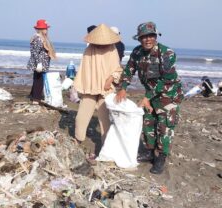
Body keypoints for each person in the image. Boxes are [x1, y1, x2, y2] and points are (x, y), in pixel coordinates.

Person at [116, 22, 184, 174]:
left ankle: (160, 158)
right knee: (148, 122)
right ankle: (149, 152)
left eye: (150, 36)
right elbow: (129, 70)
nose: (147, 40)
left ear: (155, 36)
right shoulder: (137, 52)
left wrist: (146, 97)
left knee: (164, 127)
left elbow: (166, 79)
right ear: (139, 39)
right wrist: (123, 88)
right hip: (151, 95)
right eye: (144, 37)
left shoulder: (167, 53)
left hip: (169, 96)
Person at [74, 24, 122, 145]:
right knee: (81, 116)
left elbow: (117, 69)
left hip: (106, 88)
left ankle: (106, 145)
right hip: (90, 87)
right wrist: (85, 85)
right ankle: (78, 138)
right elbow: (85, 70)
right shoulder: (89, 49)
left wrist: (110, 80)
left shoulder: (112, 49)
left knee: (105, 118)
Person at [27, 19, 56, 104]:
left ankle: (33, 95)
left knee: (37, 79)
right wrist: (38, 63)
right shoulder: (38, 38)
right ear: (41, 29)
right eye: (45, 28)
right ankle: (36, 99)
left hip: (41, 63)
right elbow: (35, 52)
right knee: (39, 80)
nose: (47, 30)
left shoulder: (41, 38)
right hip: (39, 63)